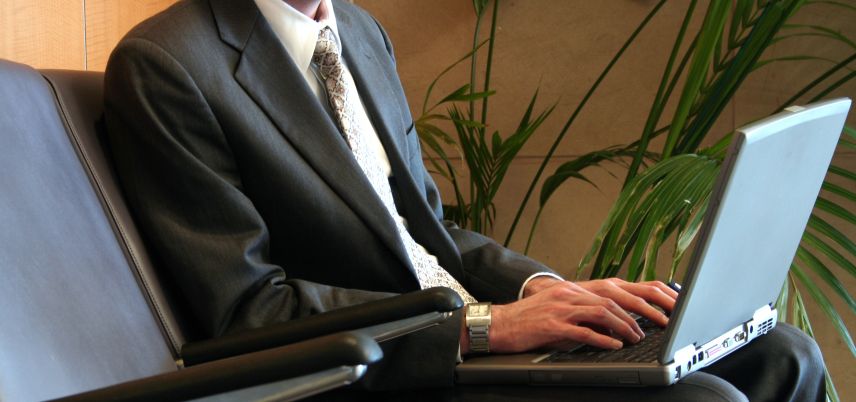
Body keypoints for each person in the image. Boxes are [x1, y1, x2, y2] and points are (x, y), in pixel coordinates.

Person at [103, 0, 826, 400]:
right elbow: (247, 313)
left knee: (784, 355)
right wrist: (484, 329)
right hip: (390, 372)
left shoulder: (357, 32)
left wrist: (552, 292)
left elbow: (431, 232)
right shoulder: (168, 64)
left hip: (483, 341)